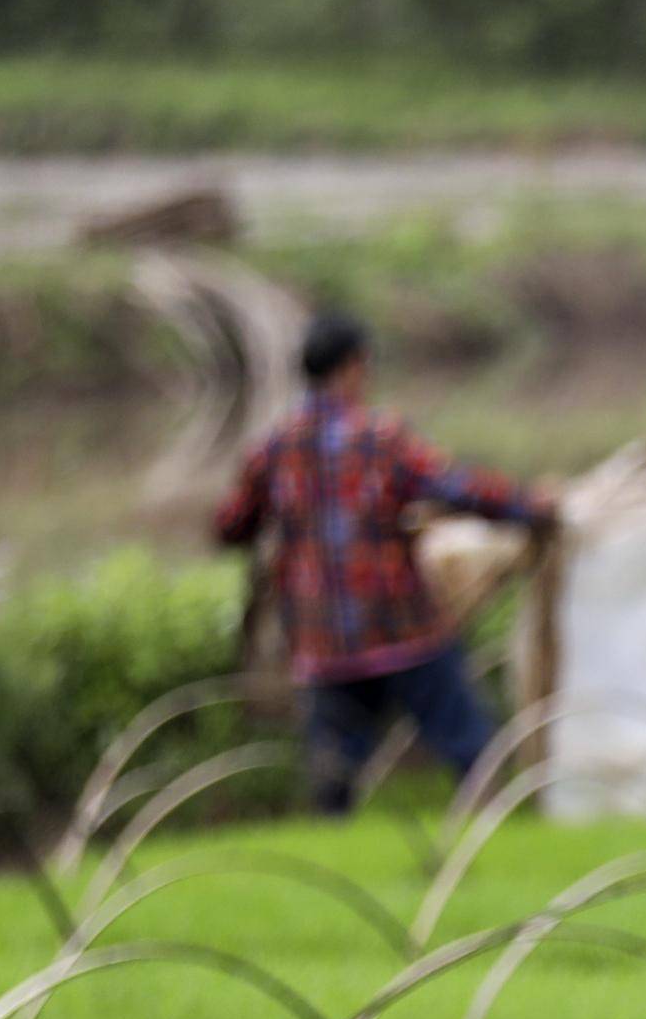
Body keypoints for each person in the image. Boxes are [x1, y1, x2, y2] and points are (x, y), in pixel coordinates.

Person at [214, 310, 556, 814]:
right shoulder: (379, 437)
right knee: (471, 745)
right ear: (354, 367)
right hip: (399, 629)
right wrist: (532, 506)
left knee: (334, 771)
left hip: (322, 641)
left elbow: (230, 527)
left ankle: (334, 847)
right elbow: (457, 487)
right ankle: (494, 825)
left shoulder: (273, 448)